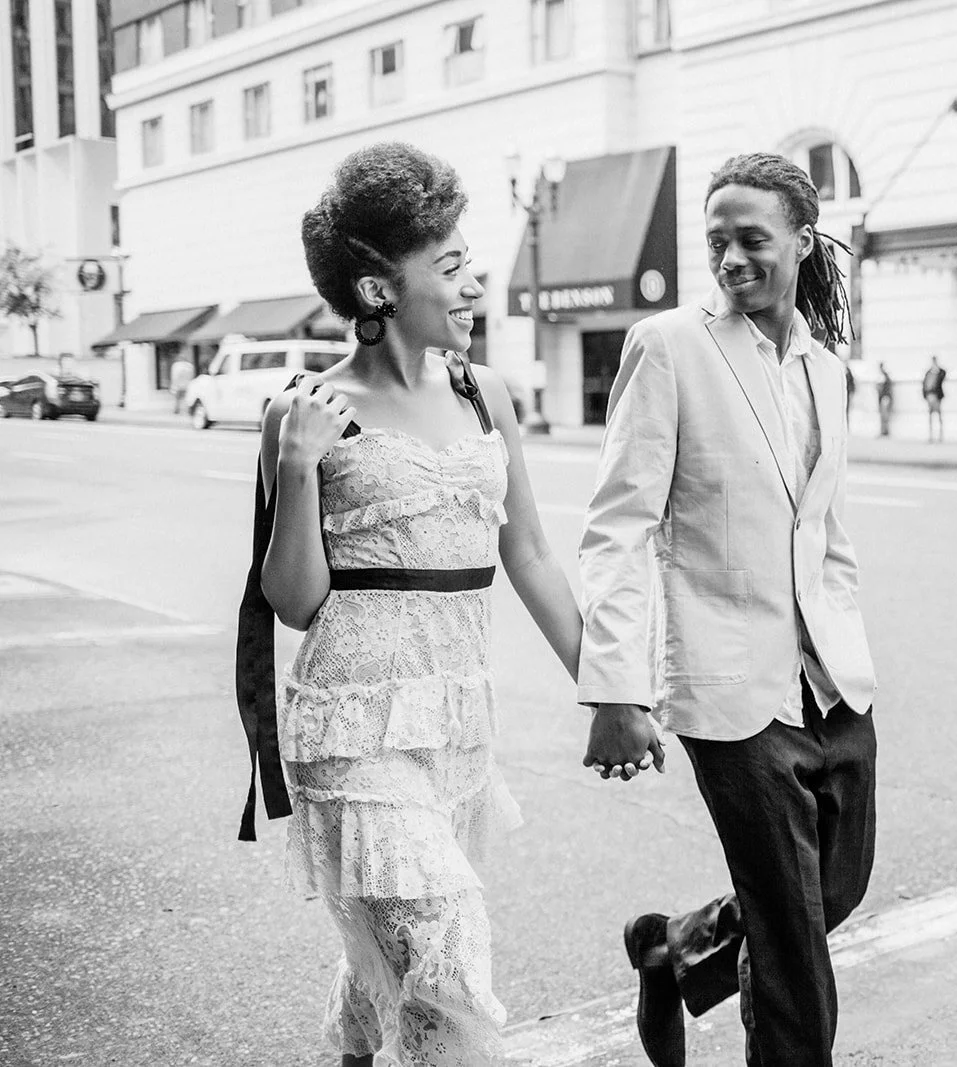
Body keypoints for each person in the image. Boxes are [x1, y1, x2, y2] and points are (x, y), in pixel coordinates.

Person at [235, 141, 584, 1067]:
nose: (474, 285)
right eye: (452, 265)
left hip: (456, 722)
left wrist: (610, 686)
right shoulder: (303, 411)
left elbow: (530, 553)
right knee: (445, 951)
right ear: (378, 288)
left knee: (389, 952)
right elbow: (294, 602)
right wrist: (299, 467)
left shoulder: (484, 394)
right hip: (352, 728)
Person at [578, 152, 878, 1067]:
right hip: (730, 682)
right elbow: (619, 525)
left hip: (829, 679)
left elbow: (825, 528)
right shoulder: (671, 346)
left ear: (803, 239)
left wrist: (850, 640)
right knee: (793, 946)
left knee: (835, 888)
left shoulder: (826, 368)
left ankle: (676, 946)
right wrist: (617, 689)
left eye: (753, 238)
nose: (732, 258)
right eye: (718, 242)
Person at [921, 355, 946, 442]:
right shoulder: (928, 373)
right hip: (929, 396)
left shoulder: (939, 372)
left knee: (939, 415)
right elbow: (924, 384)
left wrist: (937, 368)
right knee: (930, 416)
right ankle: (931, 435)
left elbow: (943, 374)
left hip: (937, 396)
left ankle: (940, 435)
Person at [876, 362, 893, 438]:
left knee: (884, 415)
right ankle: (883, 431)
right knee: (883, 415)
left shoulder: (884, 376)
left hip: (884, 398)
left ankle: (885, 431)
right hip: (883, 398)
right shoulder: (883, 376)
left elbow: (886, 388)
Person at [843, 361, 856, 429]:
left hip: (847, 394)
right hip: (847, 393)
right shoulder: (848, 373)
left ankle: (846, 425)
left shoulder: (848, 374)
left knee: (846, 410)